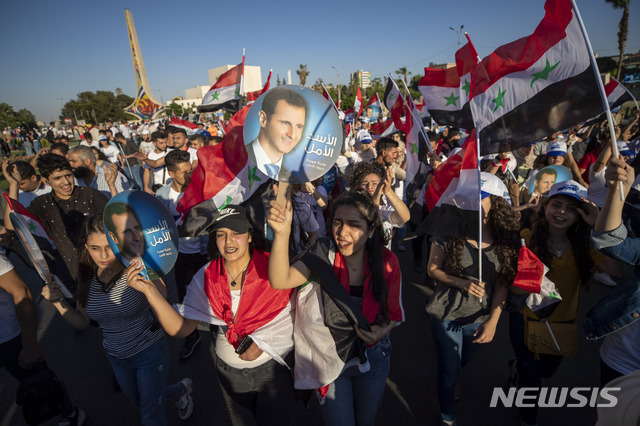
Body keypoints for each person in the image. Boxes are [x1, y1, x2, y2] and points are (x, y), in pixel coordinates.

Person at [126, 205, 299, 425]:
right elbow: (181, 329)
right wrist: (149, 291)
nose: (228, 241)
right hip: (231, 376)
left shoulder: (273, 269)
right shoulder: (205, 276)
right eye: (221, 234)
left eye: (236, 233)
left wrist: (265, 340)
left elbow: (295, 316)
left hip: (273, 372)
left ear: (249, 236)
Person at [267, 189, 404, 426]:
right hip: (328, 356)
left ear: (371, 230)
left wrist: (381, 332)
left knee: (366, 420)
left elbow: (393, 313)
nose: (342, 232)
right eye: (337, 223)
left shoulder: (387, 262)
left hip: (373, 355)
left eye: (354, 225)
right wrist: (282, 233)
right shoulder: (321, 253)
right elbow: (280, 280)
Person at [40, 215, 193, 425]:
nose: (103, 255)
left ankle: (174, 393)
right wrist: (57, 302)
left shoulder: (136, 267)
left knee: (150, 415)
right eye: (94, 248)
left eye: (108, 246)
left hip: (150, 352)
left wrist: (145, 273)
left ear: (119, 242)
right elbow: (82, 322)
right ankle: (179, 390)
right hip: (116, 357)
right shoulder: (85, 277)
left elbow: (163, 295)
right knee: (141, 401)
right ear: (86, 247)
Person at [509, 180, 622, 426]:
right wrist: (529, 276)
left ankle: (517, 368)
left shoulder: (587, 245)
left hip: (562, 323)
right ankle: (529, 419)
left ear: (581, 214)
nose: (561, 212)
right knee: (533, 377)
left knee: (547, 372)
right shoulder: (527, 238)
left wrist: (600, 229)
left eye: (571, 208)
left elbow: (616, 271)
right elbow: (514, 288)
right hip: (526, 320)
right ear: (545, 207)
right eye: (556, 205)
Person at [426, 173, 519, 426]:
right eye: (467, 198)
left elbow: (503, 282)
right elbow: (432, 270)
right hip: (446, 312)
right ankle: (447, 416)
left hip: (479, 317)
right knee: (450, 372)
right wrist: (462, 282)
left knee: (461, 361)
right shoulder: (448, 230)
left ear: (496, 201)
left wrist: (493, 321)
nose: (472, 203)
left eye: (480, 197)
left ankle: (452, 377)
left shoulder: (506, 238)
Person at [0, 248, 85, 426]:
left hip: (9, 338)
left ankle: (69, 414)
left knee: (41, 383)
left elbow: (21, 292)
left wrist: (30, 343)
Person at [2, 153, 108, 283]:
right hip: (71, 272)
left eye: (68, 175)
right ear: (46, 181)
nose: (66, 182)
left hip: (104, 265)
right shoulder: (42, 204)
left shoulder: (89, 194)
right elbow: (11, 226)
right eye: (57, 178)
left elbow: (115, 218)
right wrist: (14, 185)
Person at [155, 149, 209, 359]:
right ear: (171, 173)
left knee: (214, 293)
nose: (189, 175)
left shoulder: (202, 189)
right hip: (180, 257)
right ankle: (192, 336)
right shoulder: (161, 196)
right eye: (184, 172)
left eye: (190, 170)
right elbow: (158, 226)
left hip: (205, 252)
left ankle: (222, 332)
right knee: (186, 298)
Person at [247, 87, 308, 179]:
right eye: (285, 123)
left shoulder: (292, 175)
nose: (292, 135)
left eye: (299, 126)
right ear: (263, 119)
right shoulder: (239, 161)